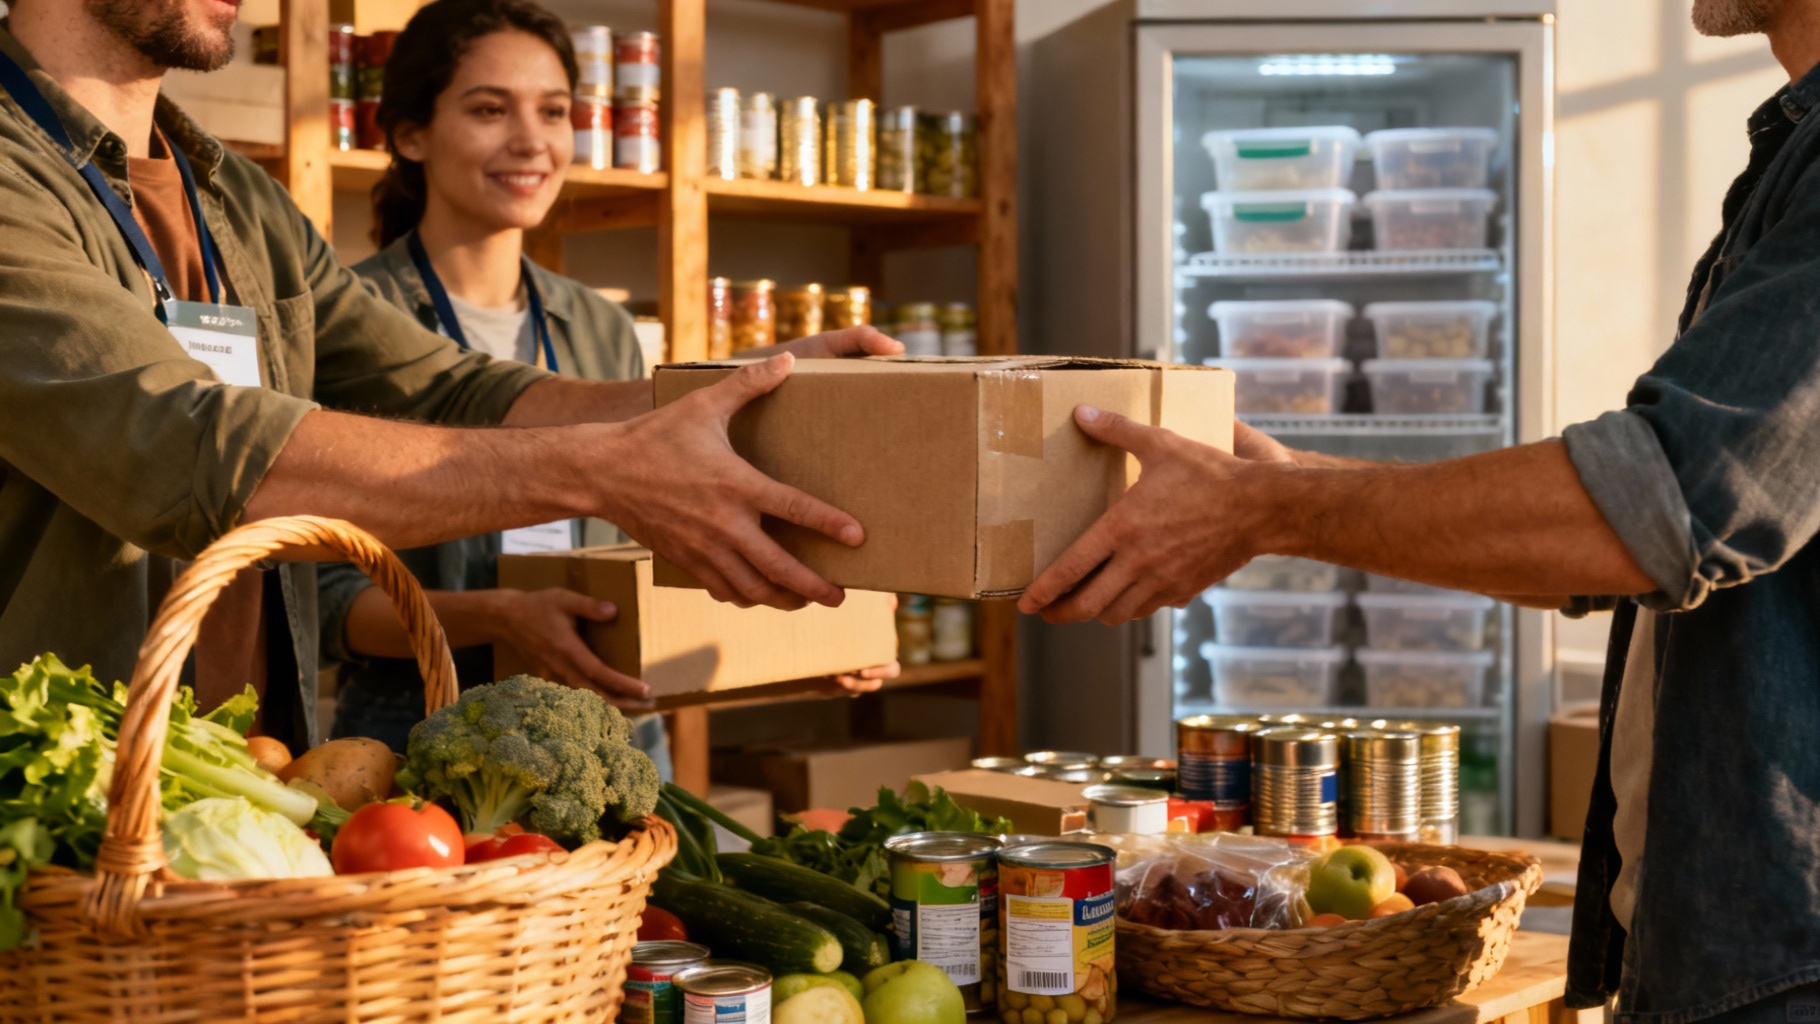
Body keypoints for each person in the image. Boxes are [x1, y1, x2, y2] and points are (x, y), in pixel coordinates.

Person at [1020, 1, 1820, 1021]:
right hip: (1719, 942)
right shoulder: (1789, 150)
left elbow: (1662, 503)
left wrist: (1264, 509)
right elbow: (1619, 552)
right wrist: (1280, 486)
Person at [0, 0, 899, 751]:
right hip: (57, 790)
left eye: (555, 111)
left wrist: (735, 389)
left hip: (249, 776)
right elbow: (192, 449)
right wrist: (603, 469)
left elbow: (447, 386)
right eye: (489, 108)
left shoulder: (230, 194)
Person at [318, 0, 891, 757]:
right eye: (490, 109)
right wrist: (500, 616)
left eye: (554, 111)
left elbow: (657, 545)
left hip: (608, 729)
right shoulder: (347, 325)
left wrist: (789, 650)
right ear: (409, 133)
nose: (531, 141)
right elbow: (320, 601)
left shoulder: (600, 326)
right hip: (420, 726)